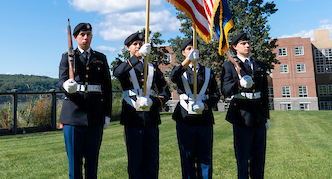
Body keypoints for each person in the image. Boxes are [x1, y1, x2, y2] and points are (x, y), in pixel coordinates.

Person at [113, 32, 171, 179]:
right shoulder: (123, 65)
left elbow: (166, 91)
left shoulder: (152, 68)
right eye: (135, 44)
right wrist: (137, 57)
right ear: (128, 48)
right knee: (135, 161)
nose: (139, 46)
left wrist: (155, 101)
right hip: (132, 117)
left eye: (141, 44)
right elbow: (118, 73)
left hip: (150, 118)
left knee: (151, 161)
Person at [58, 22, 112, 179]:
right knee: (75, 165)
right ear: (75, 37)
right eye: (82, 35)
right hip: (73, 115)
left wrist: (107, 114)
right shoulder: (67, 57)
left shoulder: (100, 58)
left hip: (95, 115)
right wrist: (66, 85)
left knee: (92, 163)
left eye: (88, 35)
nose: (86, 38)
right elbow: (61, 81)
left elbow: (107, 88)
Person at [220, 32, 270, 179]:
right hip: (242, 115)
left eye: (248, 43)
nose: (247, 45)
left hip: (259, 115)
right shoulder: (229, 66)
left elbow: (265, 93)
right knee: (243, 160)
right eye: (243, 43)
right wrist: (239, 84)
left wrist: (266, 117)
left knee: (259, 159)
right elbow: (225, 90)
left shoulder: (259, 65)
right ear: (234, 47)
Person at [170, 38, 220, 179]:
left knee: (205, 158)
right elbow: (173, 77)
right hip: (185, 119)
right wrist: (187, 61)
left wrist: (205, 105)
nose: (193, 51)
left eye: (195, 48)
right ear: (183, 52)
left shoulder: (207, 72)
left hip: (204, 120)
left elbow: (216, 94)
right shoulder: (180, 71)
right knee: (187, 159)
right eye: (189, 49)